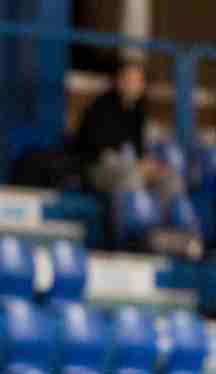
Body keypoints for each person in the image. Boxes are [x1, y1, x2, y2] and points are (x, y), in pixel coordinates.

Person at [73, 57, 198, 258]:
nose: (134, 84)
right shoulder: (100, 107)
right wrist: (136, 165)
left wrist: (153, 167)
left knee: (169, 177)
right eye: (129, 79)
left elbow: (140, 152)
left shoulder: (137, 112)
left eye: (138, 80)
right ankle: (129, 241)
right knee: (131, 177)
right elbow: (99, 153)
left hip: (131, 167)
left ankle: (167, 236)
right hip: (98, 170)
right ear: (118, 80)